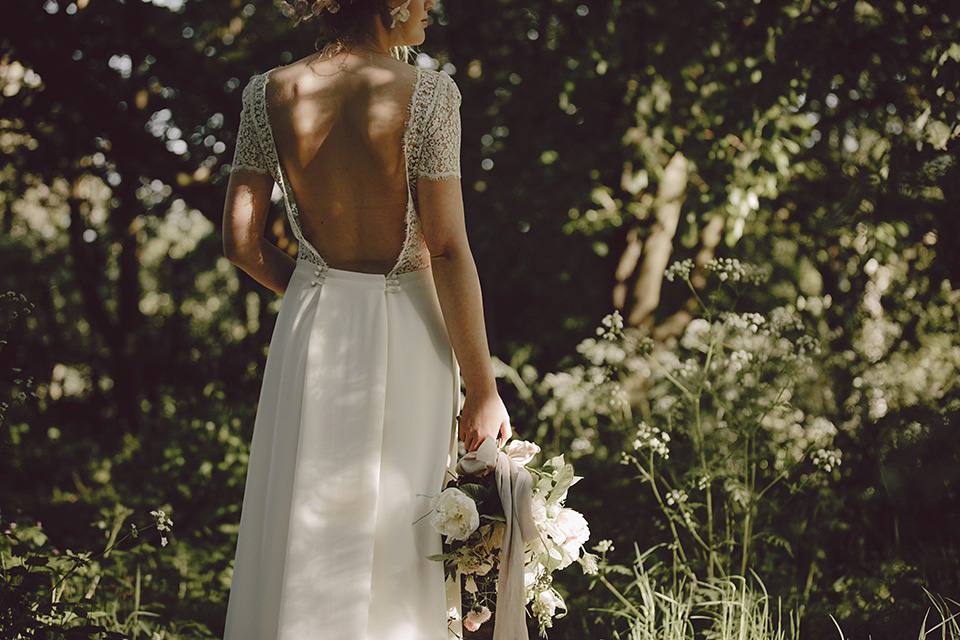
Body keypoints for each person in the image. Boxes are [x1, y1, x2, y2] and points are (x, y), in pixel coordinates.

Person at [220, 0, 512, 638]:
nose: (432, 7)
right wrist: (483, 387)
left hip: (314, 327)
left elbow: (241, 243)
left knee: (307, 513)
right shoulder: (431, 95)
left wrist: (310, 288)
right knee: (400, 526)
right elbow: (447, 249)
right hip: (410, 330)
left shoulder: (267, 94)